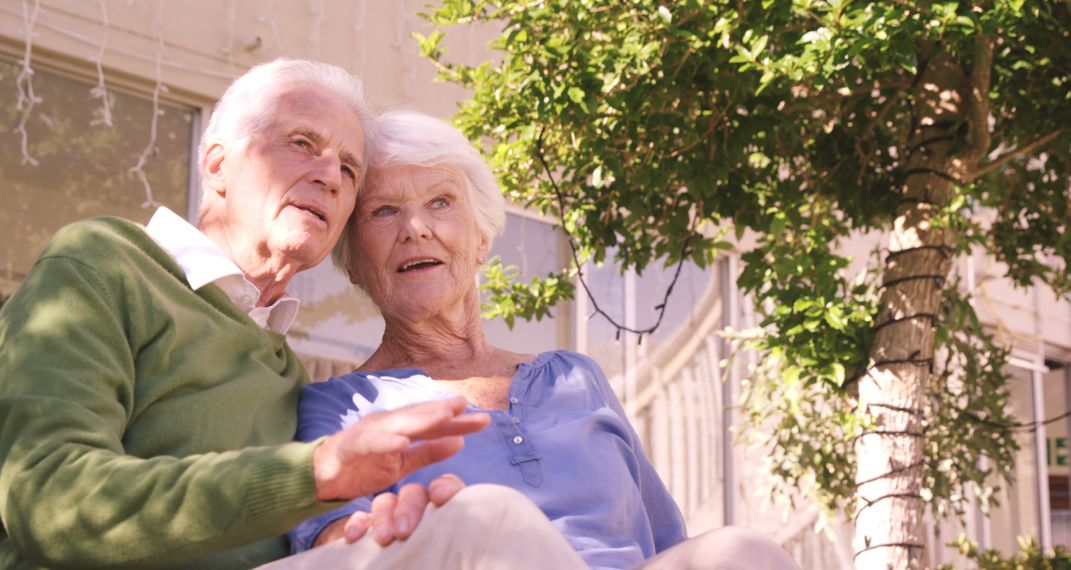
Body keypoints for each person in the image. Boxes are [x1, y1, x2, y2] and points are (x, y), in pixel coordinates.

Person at [0, 59, 584, 570]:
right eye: (302, 143)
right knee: (486, 521)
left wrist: (383, 525)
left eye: (350, 169)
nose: (330, 176)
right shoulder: (104, 264)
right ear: (217, 164)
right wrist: (315, 474)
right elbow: (48, 499)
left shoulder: (288, 374)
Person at [286, 110, 800, 570]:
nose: (416, 228)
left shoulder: (575, 378)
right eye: (383, 212)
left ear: (482, 238)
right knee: (496, 518)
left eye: (441, 202)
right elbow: (336, 544)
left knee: (744, 551)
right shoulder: (339, 406)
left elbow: (667, 541)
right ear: (352, 262)